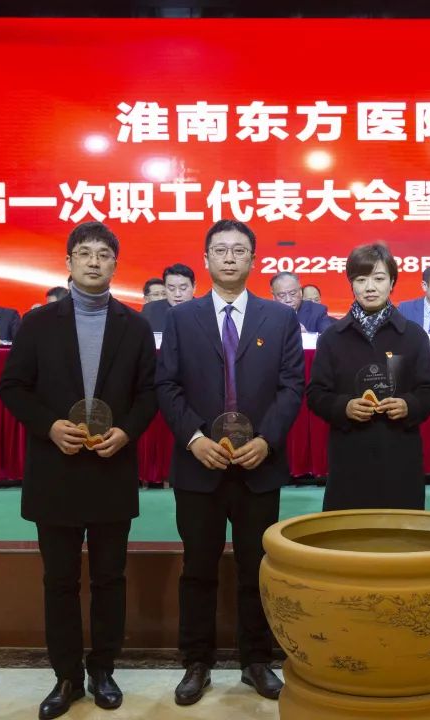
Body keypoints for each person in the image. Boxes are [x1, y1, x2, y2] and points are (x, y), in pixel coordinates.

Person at [0, 221, 157, 720]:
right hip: (56, 470)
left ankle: (103, 669)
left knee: (110, 578)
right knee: (60, 581)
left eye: (103, 254)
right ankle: (65, 676)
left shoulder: (134, 326)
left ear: (115, 264)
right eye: (84, 253)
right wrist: (49, 426)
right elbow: (13, 386)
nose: (93, 261)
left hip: (111, 467)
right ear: (68, 262)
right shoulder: (38, 323)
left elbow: (150, 393)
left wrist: (126, 431)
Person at [155, 220, 305, 706]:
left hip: (257, 466)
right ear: (206, 259)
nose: (229, 258)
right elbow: (166, 385)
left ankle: (256, 660)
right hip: (199, 465)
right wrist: (194, 438)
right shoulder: (181, 318)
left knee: (256, 567)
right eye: (220, 250)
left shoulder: (278, 318)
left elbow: (291, 386)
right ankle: (196, 662)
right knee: (197, 567)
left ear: (253, 260)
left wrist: (267, 440)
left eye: (239, 250)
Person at [306, 244, 430, 510]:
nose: (370, 287)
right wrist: (344, 407)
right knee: (348, 531)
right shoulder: (332, 337)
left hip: (399, 454)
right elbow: (316, 394)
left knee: (401, 531)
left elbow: (429, 391)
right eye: (361, 279)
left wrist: (409, 405)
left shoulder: (413, 335)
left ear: (392, 283)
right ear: (351, 284)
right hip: (349, 456)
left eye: (378, 278)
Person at [270, 271, 335, 333]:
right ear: (273, 296)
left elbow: (328, 338)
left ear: (300, 292)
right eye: (282, 295)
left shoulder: (317, 311)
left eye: (292, 293)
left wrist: (306, 336)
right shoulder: (267, 314)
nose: (288, 300)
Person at [142, 263, 196, 331]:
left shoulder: (205, 311)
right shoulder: (150, 310)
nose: (177, 294)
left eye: (183, 288)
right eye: (171, 289)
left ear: (194, 287)